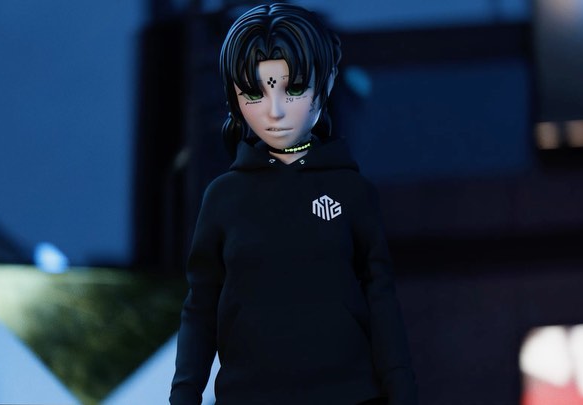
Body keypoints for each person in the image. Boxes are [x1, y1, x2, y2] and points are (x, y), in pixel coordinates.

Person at [169, 3, 418, 404]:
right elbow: (200, 308)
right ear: (234, 96)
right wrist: (184, 395)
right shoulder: (223, 198)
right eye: (255, 93)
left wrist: (402, 392)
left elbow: (381, 301)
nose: (275, 110)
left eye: (294, 88)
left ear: (327, 82)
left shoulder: (352, 193)